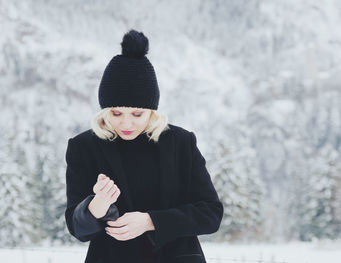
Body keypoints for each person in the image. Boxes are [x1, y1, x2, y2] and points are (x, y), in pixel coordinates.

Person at [64, 29, 224, 263]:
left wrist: (151, 221)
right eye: (116, 113)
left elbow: (211, 214)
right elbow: (77, 228)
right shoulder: (83, 147)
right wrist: (97, 205)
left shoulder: (181, 143)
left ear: (152, 110)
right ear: (104, 110)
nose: (126, 123)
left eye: (137, 114)